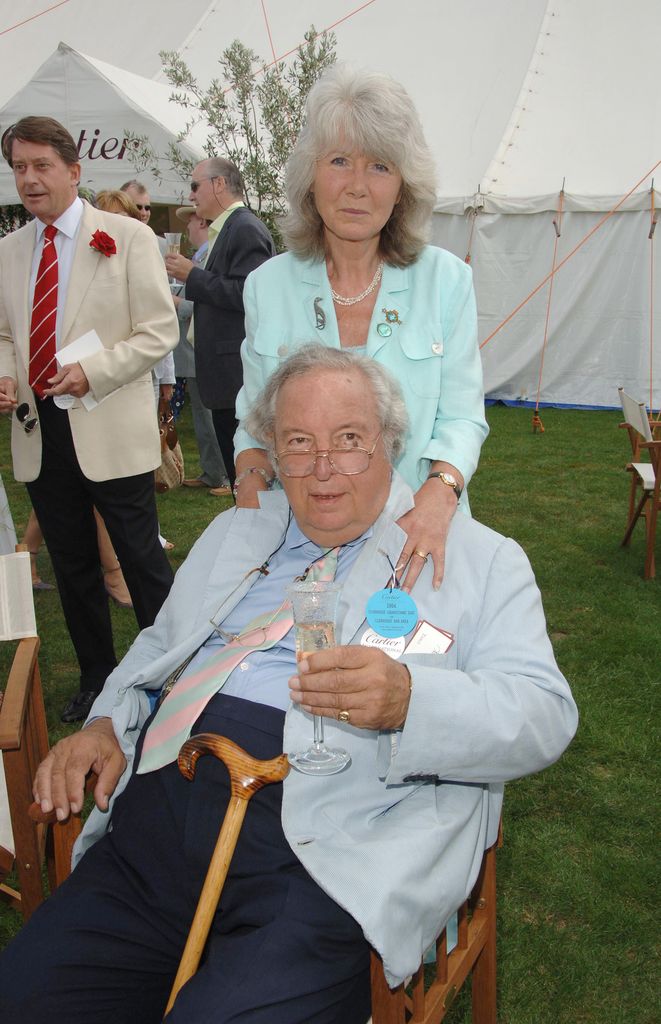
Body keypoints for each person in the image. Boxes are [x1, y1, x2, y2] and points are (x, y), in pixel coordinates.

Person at [0, 346, 578, 1023]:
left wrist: (409, 701)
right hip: (157, 823)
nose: (322, 468)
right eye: (299, 443)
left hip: (327, 851)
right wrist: (105, 723)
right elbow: (157, 648)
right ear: (273, 451)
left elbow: (544, 714)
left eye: (349, 440)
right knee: (26, 996)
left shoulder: (484, 560)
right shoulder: (235, 531)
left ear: (390, 443)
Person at [234, 64, 488, 592]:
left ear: (403, 187)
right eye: (339, 161)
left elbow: (463, 419)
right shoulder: (266, 286)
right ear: (310, 176)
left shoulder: (446, 281)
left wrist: (440, 493)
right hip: (302, 542)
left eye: (379, 166)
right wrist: (251, 477)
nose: (356, 186)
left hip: (417, 533)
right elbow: (255, 423)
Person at [0, 116, 179, 722]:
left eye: (41, 165)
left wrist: (93, 372)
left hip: (109, 426)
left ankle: (173, 674)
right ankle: (97, 678)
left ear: (74, 172)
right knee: (72, 564)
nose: (29, 178)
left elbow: (159, 330)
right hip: (40, 432)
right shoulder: (10, 250)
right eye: (19, 167)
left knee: (141, 560)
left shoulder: (126, 237)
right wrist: (7, 375)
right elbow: (6, 335)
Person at [164, 157, 275, 489]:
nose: (191, 195)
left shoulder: (244, 228)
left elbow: (248, 294)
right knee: (238, 469)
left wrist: (192, 276)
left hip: (237, 374)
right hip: (226, 373)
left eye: (195, 186)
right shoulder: (229, 228)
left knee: (246, 473)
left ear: (219, 184)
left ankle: (251, 518)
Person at [171, 205, 230, 493]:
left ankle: (225, 475)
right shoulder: (197, 258)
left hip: (200, 349)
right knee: (201, 416)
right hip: (191, 351)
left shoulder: (208, 258)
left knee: (211, 416)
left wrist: (176, 303)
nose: (187, 228)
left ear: (204, 225)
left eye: (191, 222)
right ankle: (212, 471)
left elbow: (207, 301)